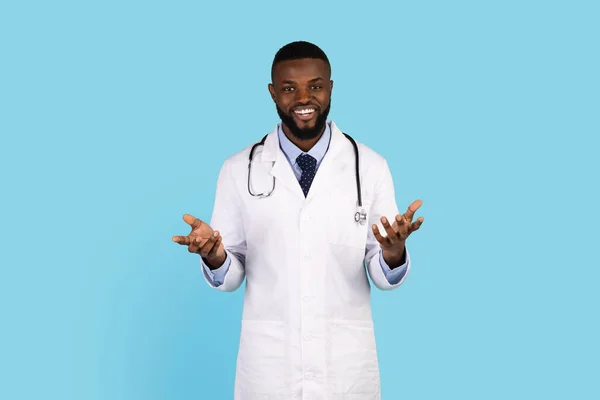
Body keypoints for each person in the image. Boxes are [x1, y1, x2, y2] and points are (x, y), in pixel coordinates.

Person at [172, 41, 424, 399]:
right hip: (271, 368)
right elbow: (230, 275)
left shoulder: (369, 167)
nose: (304, 98)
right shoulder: (237, 169)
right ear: (273, 93)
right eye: (289, 88)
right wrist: (214, 256)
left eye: (316, 86)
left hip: (345, 369)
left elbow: (382, 273)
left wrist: (394, 252)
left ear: (331, 88)